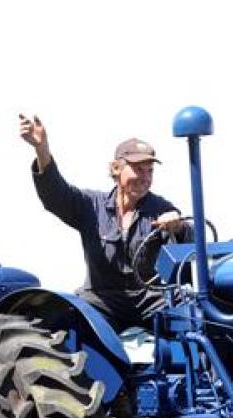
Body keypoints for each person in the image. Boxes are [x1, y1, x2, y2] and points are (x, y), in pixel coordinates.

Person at [19, 113, 193, 333]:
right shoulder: (91, 205)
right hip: (102, 300)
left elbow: (189, 242)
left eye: (150, 171)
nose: (145, 177)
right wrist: (41, 148)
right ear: (116, 168)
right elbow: (55, 194)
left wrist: (178, 226)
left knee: (193, 315)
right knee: (68, 321)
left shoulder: (161, 208)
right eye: (138, 169)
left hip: (150, 299)